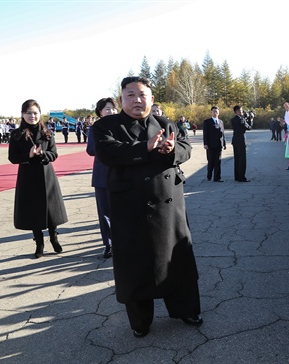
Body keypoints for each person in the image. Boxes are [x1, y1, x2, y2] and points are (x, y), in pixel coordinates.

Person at [92, 76, 202, 338]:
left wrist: (173, 149)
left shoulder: (164, 122)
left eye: (142, 95)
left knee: (177, 260)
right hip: (130, 207)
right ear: (121, 99)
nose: (137, 100)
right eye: (130, 95)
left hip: (168, 205)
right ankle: (141, 321)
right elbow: (108, 153)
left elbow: (186, 149)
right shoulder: (106, 126)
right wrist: (145, 147)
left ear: (152, 99)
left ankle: (186, 309)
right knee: (135, 265)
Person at [8, 99, 68, 258]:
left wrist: (42, 154)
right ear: (22, 114)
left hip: (47, 175)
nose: (32, 116)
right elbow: (12, 157)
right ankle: (39, 243)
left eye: (35, 113)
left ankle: (54, 237)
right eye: (28, 113)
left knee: (51, 210)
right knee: (33, 210)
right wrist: (28, 155)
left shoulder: (48, 132)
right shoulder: (16, 135)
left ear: (40, 114)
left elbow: (54, 154)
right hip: (28, 177)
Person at [86, 97, 118, 258]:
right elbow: (91, 149)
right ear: (100, 112)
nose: (111, 111)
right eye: (107, 109)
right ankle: (109, 244)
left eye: (113, 108)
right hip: (102, 175)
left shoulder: (122, 125)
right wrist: (109, 147)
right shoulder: (94, 129)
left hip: (121, 174)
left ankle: (124, 242)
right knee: (104, 212)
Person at [202, 106, 226, 182]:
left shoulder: (221, 122)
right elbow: (205, 134)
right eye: (214, 111)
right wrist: (205, 144)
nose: (215, 113)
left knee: (218, 161)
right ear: (211, 112)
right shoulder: (207, 122)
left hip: (219, 145)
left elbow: (223, 134)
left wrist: (224, 143)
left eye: (217, 111)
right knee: (211, 161)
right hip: (210, 145)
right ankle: (209, 175)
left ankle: (217, 177)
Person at [231, 105, 252, 182]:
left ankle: (237, 176)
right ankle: (242, 177)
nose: (242, 112)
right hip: (241, 141)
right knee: (242, 160)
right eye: (241, 111)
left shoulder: (233, 120)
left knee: (237, 159)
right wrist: (251, 119)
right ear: (237, 111)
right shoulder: (241, 120)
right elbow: (249, 127)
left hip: (235, 140)